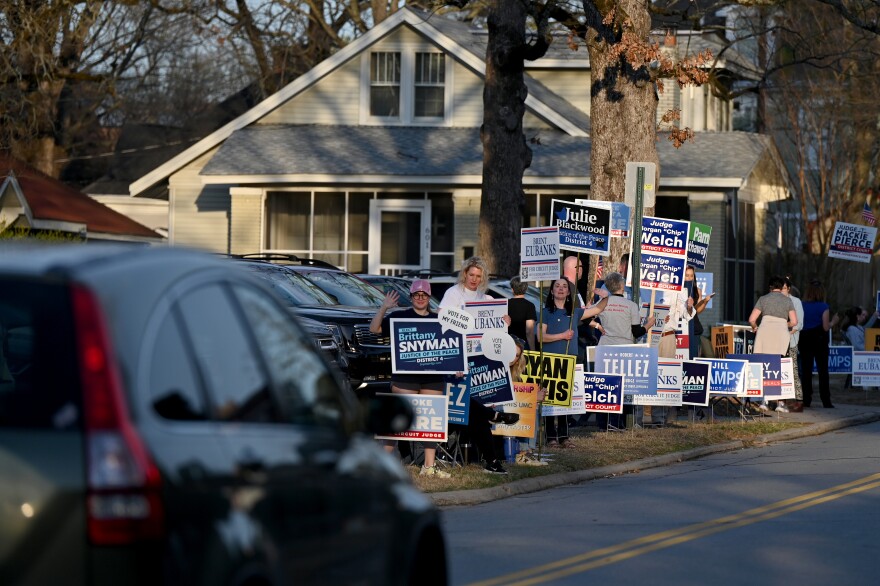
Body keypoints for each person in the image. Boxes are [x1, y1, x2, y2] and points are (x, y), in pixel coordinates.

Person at [370, 279, 450, 478]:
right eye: (416, 295)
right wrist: (384, 307)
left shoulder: (440, 318)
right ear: (411, 297)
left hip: (432, 377)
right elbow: (374, 329)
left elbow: (457, 342)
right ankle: (381, 466)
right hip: (404, 377)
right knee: (396, 422)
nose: (420, 298)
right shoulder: (399, 317)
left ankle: (429, 466)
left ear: (429, 297)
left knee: (430, 424)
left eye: (424, 295)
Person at [539, 277, 607, 447]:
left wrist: (606, 296)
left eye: (564, 286)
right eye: (557, 286)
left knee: (564, 401)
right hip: (550, 361)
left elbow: (598, 308)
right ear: (552, 290)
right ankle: (550, 437)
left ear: (569, 292)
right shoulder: (545, 312)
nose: (561, 289)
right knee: (549, 401)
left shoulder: (575, 312)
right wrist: (561, 336)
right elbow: (541, 337)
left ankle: (564, 437)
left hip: (569, 361)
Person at [594, 271, 655, 429]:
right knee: (623, 389)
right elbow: (637, 332)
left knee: (604, 387)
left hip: (605, 348)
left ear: (608, 286)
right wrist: (649, 324)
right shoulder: (631, 305)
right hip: (624, 350)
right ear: (622, 286)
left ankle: (603, 423)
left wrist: (597, 325)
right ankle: (618, 423)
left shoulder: (603, 302)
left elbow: (585, 316)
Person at [748, 275, 797, 413]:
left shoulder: (763, 299)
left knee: (763, 367)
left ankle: (764, 401)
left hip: (764, 333)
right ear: (782, 287)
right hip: (781, 334)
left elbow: (752, 319)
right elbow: (794, 321)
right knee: (779, 368)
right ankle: (780, 404)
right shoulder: (787, 301)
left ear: (770, 287)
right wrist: (782, 323)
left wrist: (755, 327)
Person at [656, 276, 696, 424]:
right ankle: (638, 417)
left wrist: (690, 306)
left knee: (664, 377)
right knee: (647, 376)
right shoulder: (647, 283)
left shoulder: (679, 288)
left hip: (667, 336)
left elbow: (687, 314)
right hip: (648, 335)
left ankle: (660, 418)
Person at [798, 279, 839, 408]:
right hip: (819, 339)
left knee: (806, 370)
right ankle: (825, 400)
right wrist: (834, 321)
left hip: (804, 338)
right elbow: (826, 327)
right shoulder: (824, 306)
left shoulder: (802, 305)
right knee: (822, 370)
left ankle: (806, 399)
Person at [782, 277, 805, 412]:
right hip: (778, 342)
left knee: (793, 371)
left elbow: (799, 323)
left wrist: (787, 332)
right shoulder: (776, 302)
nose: (781, 291)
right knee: (779, 371)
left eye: (784, 288)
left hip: (791, 342)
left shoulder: (796, 302)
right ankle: (781, 400)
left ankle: (799, 400)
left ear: (789, 288)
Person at [507, 276, 536, 350]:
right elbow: (529, 331)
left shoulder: (505, 304)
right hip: (523, 345)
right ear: (525, 289)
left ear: (512, 289)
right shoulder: (530, 306)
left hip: (508, 344)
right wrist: (532, 349)